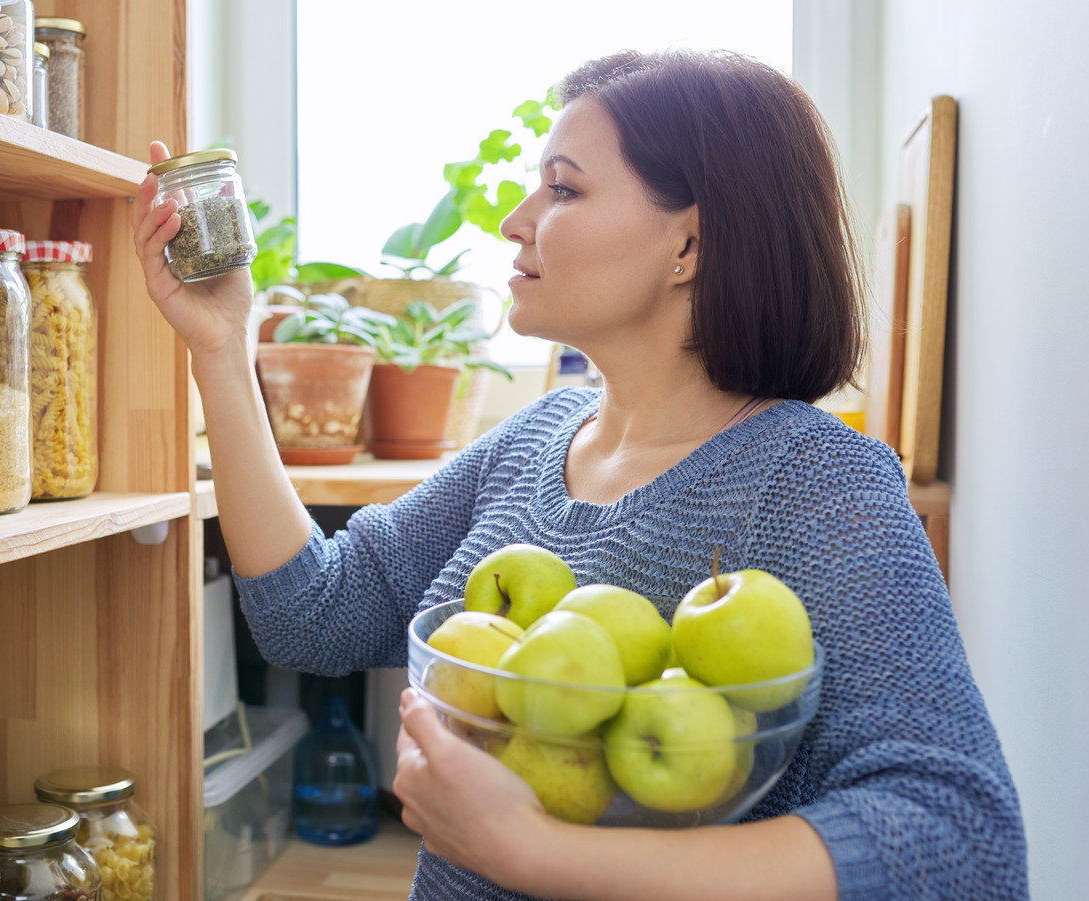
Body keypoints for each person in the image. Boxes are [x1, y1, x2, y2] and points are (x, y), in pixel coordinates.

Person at [131, 49, 1026, 901]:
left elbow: (961, 841)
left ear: (691, 245)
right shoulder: (537, 437)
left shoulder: (821, 481)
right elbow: (313, 617)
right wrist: (222, 345)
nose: (516, 220)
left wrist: (539, 852)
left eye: (562, 187)